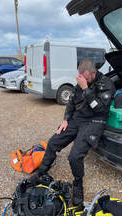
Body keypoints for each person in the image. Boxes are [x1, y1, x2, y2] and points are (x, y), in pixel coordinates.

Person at [29, 59, 116, 206]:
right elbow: (71, 102)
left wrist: (86, 89)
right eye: (81, 78)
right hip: (78, 118)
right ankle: (41, 173)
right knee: (53, 142)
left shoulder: (107, 84)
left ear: (94, 73)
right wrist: (65, 119)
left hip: (94, 121)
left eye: (87, 78)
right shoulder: (81, 82)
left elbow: (99, 108)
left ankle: (77, 184)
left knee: (74, 157)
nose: (84, 81)